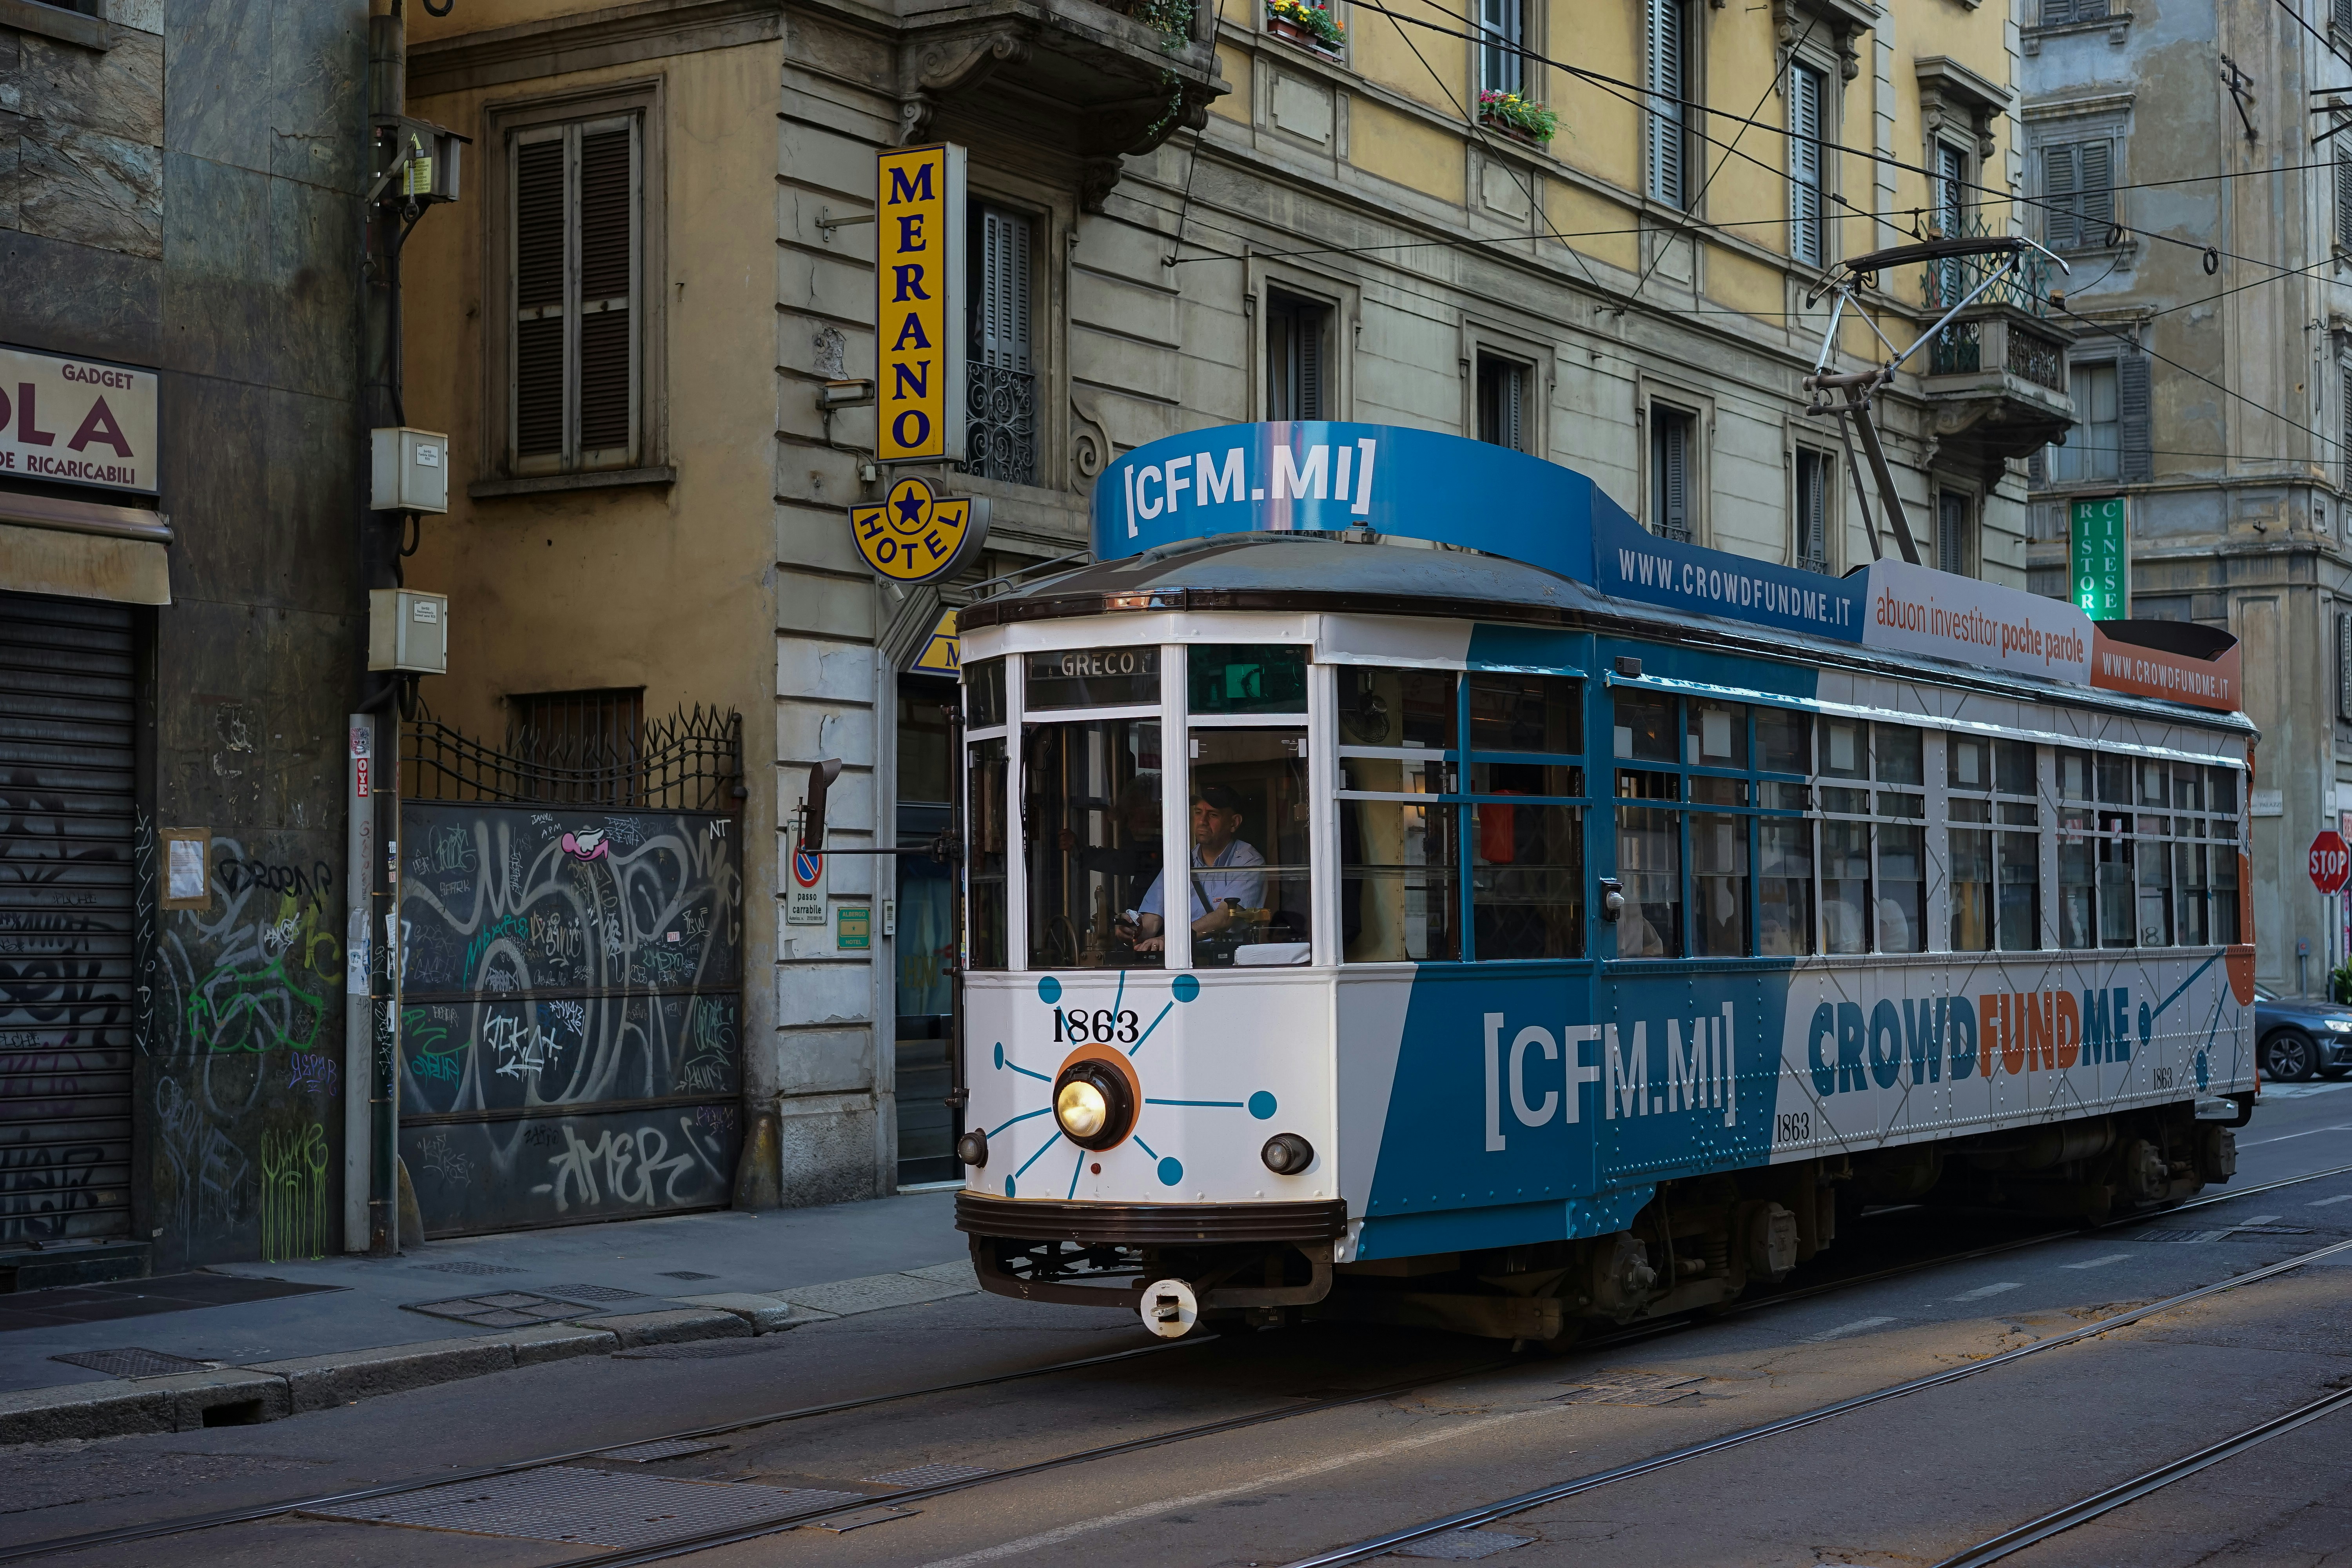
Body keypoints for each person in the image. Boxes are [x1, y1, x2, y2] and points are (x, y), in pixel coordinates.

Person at [1129, 785, 1265, 953]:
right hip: (1183, 956)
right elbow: (1152, 919)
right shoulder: (1181, 862)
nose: (1202, 821)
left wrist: (1170, 939)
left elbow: (1225, 917)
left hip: (1230, 958)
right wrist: (1133, 933)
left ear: (1234, 823)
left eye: (1213, 815)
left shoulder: (1249, 861)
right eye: (1198, 812)